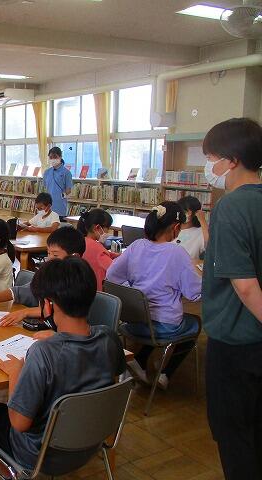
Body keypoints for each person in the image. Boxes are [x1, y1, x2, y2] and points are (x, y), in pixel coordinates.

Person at [0, 257, 125, 476]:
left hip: (38, 455)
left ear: (48, 304)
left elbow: (18, 423)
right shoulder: (110, 338)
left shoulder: (42, 353)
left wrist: (16, 373)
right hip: (93, 443)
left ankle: (14, 473)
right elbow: (108, 384)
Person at [200, 118, 262, 480]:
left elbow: (246, 286)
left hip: (236, 342)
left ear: (232, 160)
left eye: (211, 158)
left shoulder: (231, 207)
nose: (209, 167)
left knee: (235, 436)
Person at [106, 201, 201, 390]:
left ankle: (140, 362)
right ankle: (164, 375)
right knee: (195, 323)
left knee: (154, 318)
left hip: (133, 323)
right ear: (176, 227)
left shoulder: (136, 246)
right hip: (163, 326)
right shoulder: (177, 253)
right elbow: (194, 293)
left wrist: (134, 291)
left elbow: (111, 276)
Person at [0, 227, 86, 327]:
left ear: (74, 257)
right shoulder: (49, 275)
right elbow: (18, 291)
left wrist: (26, 312)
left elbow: (61, 313)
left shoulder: (78, 282)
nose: (49, 259)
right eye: (48, 253)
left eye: (55, 255)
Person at [77, 208, 120, 290]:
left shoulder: (82, 241)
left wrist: (121, 256)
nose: (108, 232)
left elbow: (106, 254)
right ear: (97, 228)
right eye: (107, 228)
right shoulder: (97, 249)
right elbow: (115, 270)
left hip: (84, 288)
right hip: (98, 291)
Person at [42, 147, 73, 220]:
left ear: (60, 157)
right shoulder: (47, 172)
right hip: (47, 206)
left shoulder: (66, 172)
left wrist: (61, 196)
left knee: (59, 225)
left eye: (55, 157)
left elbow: (68, 190)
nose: (53, 159)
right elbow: (45, 188)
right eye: (51, 157)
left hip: (60, 207)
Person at [174, 196, 208, 260]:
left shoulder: (201, 232)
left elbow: (211, 247)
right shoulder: (172, 228)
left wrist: (202, 221)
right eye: (183, 211)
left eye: (189, 212)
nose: (188, 214)